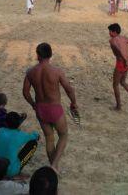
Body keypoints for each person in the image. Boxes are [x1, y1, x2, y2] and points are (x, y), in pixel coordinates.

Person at [23, 43, 78, 171]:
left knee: (49, 138)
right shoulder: (56, 71)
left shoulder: (30, 72)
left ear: (38, 55)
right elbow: (69, 89)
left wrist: (33, 105)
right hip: (54, 108)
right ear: (50, 55)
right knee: (63, 135)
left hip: (40, 109)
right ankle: (54, 165)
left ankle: (54, 167)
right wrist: (73, 102)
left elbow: (25, 92)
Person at [0, 112, 39, 177]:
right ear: (18, 123)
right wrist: (36, 134)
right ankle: (18, 170)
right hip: (10, 171)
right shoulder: (20, 135)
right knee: (34, 144)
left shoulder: (1, 130)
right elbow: (35, 136)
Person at [108, 23, 128, 110]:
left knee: (115, 84)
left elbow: (119, 50)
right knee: (123, 82)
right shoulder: (124, 38)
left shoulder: (112, 40)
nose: (109, 33)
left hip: (121, 63)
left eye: (110, 31)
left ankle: (118, 106)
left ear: (114, 32)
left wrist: (125, 60)